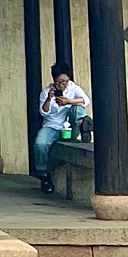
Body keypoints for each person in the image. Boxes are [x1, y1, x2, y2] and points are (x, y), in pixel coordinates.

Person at [34, 61, 89, 192]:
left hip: (71, 124)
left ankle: (83, 125)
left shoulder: (73, 88)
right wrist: (49, 99)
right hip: (52, 125)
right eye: (58, 82)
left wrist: (69, 101)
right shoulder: (46, 91)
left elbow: (86, 100)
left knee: (77, 108)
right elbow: (44, 112)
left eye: (64, 81)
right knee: (40, 144)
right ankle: (43, 173)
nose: (62, 85)